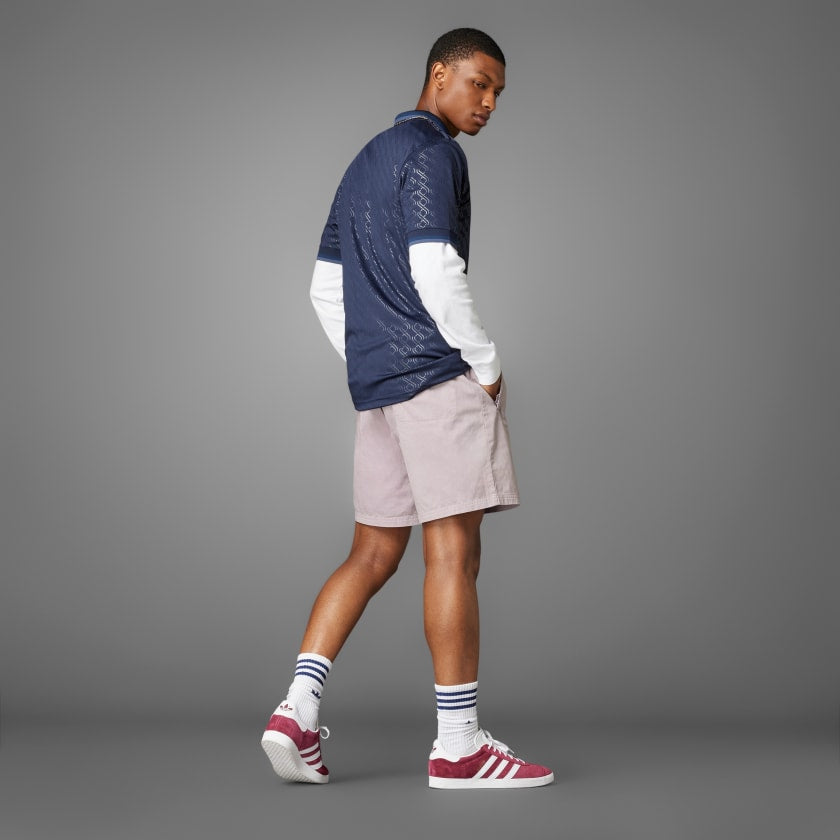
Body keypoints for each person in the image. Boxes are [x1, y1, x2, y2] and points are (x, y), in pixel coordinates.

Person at [260, 28, 553, 790]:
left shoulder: (364, 161)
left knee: (370, 554)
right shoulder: (435, 153)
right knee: (453, 556)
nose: (489, 104)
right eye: (479, 83)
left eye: (498, 93)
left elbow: (324, 287)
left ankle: (295, 712)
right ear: (439, 74)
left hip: (382, 392)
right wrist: (486, 366)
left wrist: (372, 356)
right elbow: (435, 266)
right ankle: (458, 747)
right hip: (436, 381)